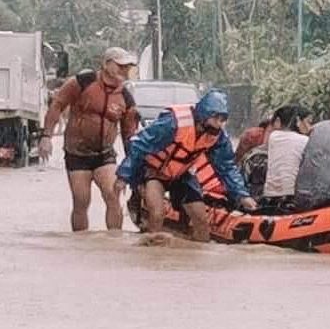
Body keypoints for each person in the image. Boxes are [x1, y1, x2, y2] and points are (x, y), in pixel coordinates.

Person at [115, 89, 258, 241]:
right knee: (157, 213)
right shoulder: (173, 123)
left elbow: (227, 167)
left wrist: (242, 195)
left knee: (201, 219)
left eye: (222, 120)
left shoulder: (218, 137)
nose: (219, 124)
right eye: (215, 119)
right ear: (203, 115)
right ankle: (150, 253)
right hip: (153, 172)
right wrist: (124, 176)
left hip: (181, 175)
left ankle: (198, 255)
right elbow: (140, 145)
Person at [39, 46, 141, 231]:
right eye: (120, 65)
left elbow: (129, 136)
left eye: (127, 67)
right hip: (77, 153)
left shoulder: (126, 98)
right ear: (106, 64)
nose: (124, 70)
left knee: (113, 195)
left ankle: (114, 242)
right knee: (81, 201)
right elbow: (57, 105)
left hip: (105, 154)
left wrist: (130, 169)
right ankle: (81, 245)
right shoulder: (82, 82)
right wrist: (46, 136)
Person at [261, 105, 313, 204]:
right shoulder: (305, 141)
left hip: (270, 194)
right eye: (308, 122)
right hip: (293, 195)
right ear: (298, 120)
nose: (310, 127)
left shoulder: (273, 137)